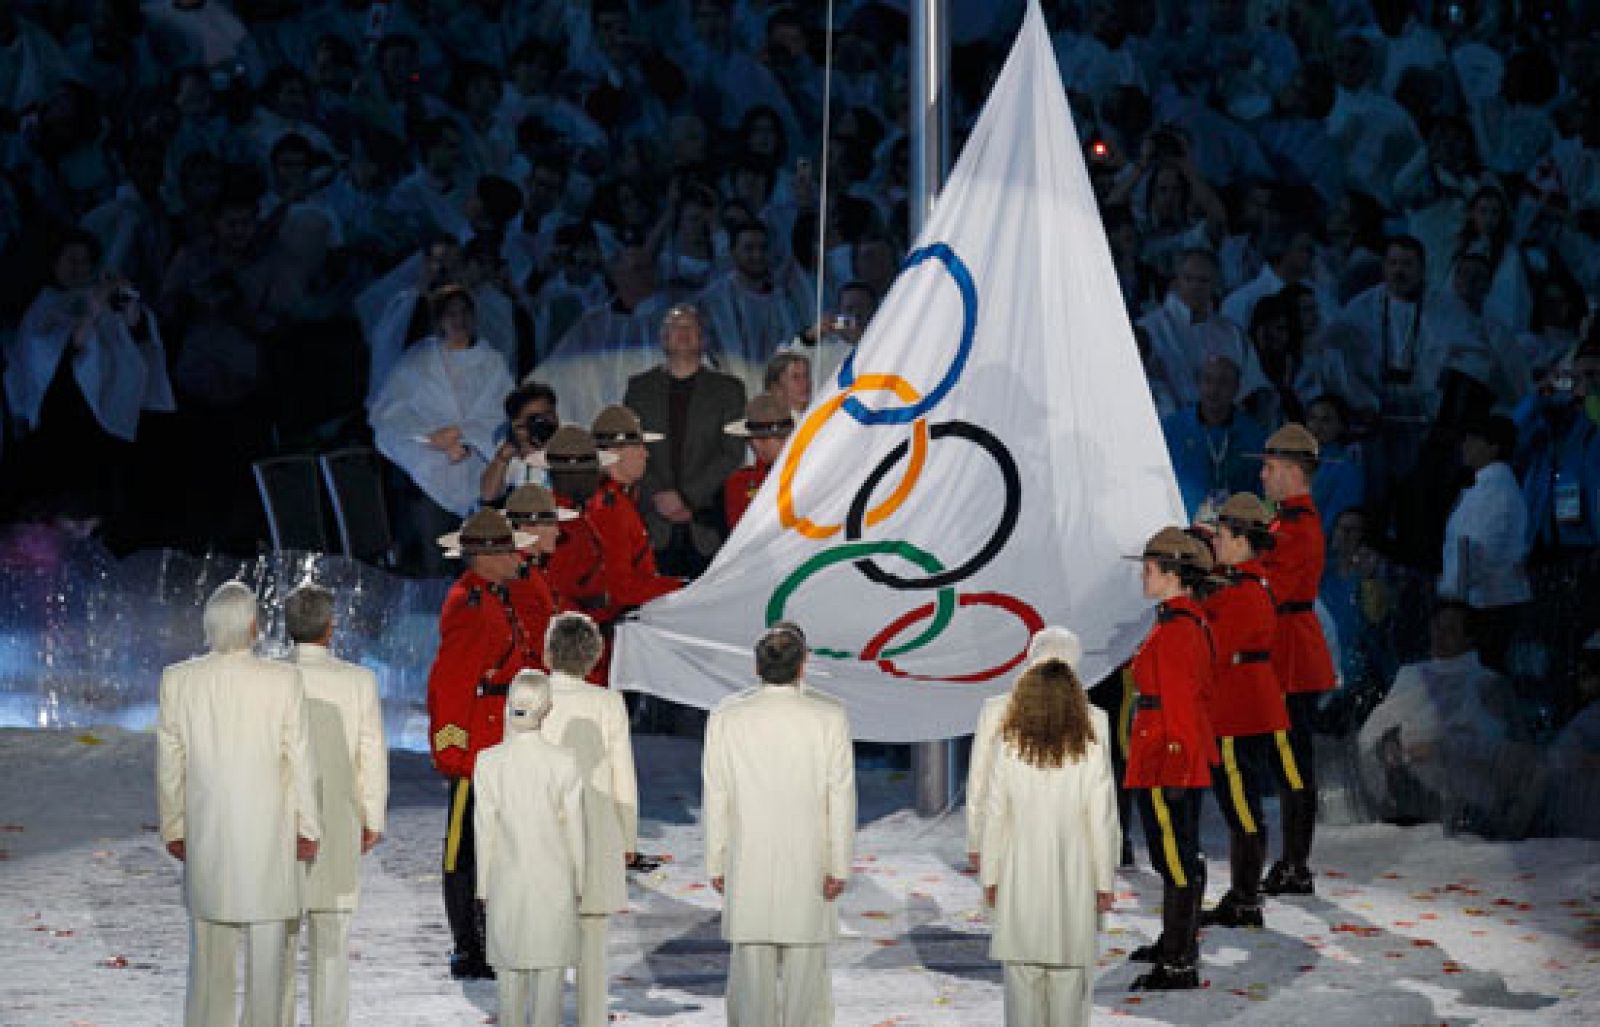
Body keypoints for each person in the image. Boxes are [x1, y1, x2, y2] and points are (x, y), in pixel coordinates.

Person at [156, 582, 319, 1027]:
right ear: (253, 625)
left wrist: (173, 826)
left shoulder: (178, 680)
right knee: (269, 961)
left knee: (209, 959)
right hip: (269, 839)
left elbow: (171, 765)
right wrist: (309, 827)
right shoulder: (283, 680)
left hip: (208, 837)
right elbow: (301, 759)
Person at [703, 623, 856, 1025]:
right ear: (803, 664)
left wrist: (716, 862)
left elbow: (717, 796)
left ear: (756, 666)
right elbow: (839, 797)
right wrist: (839, 863)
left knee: (750, 983)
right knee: (807, 984)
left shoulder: (727, 717)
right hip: (808, 863)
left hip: (748, 861)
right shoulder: (828, 716)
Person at [427, 508, 544, 980]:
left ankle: (488, 936)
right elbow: (450, 683)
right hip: (476, 740)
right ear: (487, 557)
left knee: (494, 847)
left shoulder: (493, 595)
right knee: (464, 851)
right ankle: (467, 946)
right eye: (509, 550)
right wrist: (453, 751)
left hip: (498, 734)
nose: (517, 555)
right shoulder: (468, 605)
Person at [980, 657, 1120, 1027]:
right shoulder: (1089, 751)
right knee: (1070, 995)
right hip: (1073, 884)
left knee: (1022, 993)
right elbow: (1101, 821)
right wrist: (1104, 882)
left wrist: (990, 877)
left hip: (1020, 881)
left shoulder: (1009, 747)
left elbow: (995, 816)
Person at [279, 583, 388, 1027]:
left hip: (278, 823)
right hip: (338, 818)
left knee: (277, 946)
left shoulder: (268, 677)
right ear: (329, 628)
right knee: (332, 947)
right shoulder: (358, 681)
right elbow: (371, 755)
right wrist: (372, 817)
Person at [1195, 494, 1304, 930]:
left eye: (1221, 537)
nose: (1216, 544)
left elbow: (1212, 647)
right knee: (1241, 807)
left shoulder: (1240, 593)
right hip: (1246, 702)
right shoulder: (1245, 584)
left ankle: (1245, 896)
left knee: (1241, 808)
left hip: (1237, 709)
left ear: (1242, 542)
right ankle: (1244, 893)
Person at [1122, 528, 1217, 991]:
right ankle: (1176, 943)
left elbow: (1179, 702)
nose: (1144, 575)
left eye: (1150, 568)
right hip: (1166, 750)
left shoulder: (1178, 629)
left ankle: (1179, 959)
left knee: (1175, 858)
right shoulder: (1179, 620)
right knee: (1179, 855)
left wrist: (1176, 762)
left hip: (1165, 755)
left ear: (1173, 574)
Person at [1356, 603, 1538, 837]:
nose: (1439, 636)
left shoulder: (1487, 684)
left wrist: (1442, 749)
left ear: (1469, 638)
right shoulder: (1411, 675)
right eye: (1437, 627)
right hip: (1409, 799)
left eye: (1450, 629)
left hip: (1470, 808)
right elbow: (1372, 731)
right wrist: (1386, 745)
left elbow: (1500, 751)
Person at [370, 285, 514, 575]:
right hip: (430, 475)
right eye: (450, 314)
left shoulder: (491, 363)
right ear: (438, 320)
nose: (458, 320)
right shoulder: (418, 361)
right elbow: (388, 413)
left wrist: (465, 435)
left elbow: (500, 411)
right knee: (435, 562)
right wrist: (432, 437)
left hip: (479, 474)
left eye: (463, 312)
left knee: (478, 564)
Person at [541, 613, 640, 1027]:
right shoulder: (608, 702)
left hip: (541, 825)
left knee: (543, 936)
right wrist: (628, 838)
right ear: (595, 655)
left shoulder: (529, 694)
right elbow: (622, 774)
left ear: (549, 652)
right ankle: (592, 1018)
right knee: (593, 938)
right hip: (596, 826)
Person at [473, 672, 585, 1027]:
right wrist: (578, 885)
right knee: (549, 1002)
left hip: (506, 887)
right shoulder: (564, 761)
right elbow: (576, 835)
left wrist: (482, 889)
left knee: (508, 1000)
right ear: (548, 709)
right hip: (554, 889)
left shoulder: (488, 762)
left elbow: (484, 831)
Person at [1254, 424, 1336, 896]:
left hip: (1290, 651)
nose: (1263, 476)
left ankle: (1295, 862)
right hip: (1288, 646)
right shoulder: (1287, 524)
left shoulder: (1295, 528)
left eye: (1269, 468)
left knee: (1292, 764)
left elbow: (1272, 587)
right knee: (1288, 762)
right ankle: (1291, 860)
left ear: (1289, 471)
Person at [623, 304, 747, 577]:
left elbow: (732, 453)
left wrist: (686, 497)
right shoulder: (639, 389)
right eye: (674, 327)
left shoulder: (728, 390)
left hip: (707, 521)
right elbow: (630, 449)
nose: (682, 332)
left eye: (690, 327)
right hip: (654, 523)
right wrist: (661, 497)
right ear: (662, 338)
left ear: (703, 338)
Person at [965, 626, 1086, 871]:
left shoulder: (995, 709)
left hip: (1014, 836)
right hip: (1067, 842)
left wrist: (976, 840)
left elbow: (979, 778)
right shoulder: (1091, 718)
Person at [1440, 414, 1530, 672]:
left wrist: (1455, 601)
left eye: (1473, 439)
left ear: (1493, 447)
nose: (1465, 445)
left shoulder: (1495, 492)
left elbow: (1471, 549)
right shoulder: (1484, 489)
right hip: (1478, 601)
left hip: (1484, 605)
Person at [588, 404, 685, 618]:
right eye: (638, 446)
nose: (646, 454)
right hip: (616, 628)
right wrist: (680, 588)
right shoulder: (608, 508)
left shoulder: (620, 500)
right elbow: (620, 589)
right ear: (613, 453)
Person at [1160, 355, 1269, 519]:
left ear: (1237, 388)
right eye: (1208, 380)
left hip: (1233, 529)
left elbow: (1262, 488)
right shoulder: (1171, 429)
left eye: (1224, 382)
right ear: (1198, 384)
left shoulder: (1254, 435)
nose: (1214, 389)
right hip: (1180, 524)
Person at [502, 483, 573, 671]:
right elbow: (536, 645)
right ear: (526, 527)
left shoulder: (532, 569)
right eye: (551, 524)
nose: (558, 532)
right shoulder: (519, 577)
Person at [722, 392, 795, 530]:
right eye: (750, 438)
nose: (755, 444)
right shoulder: (740, 481)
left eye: (764, 439)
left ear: (787, 438)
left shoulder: (808, 473)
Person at [481, 382, 559, 505]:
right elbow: (488, 495)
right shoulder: (515, 445)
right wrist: (502, 458)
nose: (543, 422)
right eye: (534, 419)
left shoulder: (572, 438)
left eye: (547, 414)